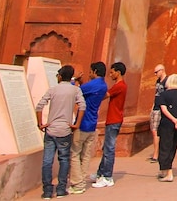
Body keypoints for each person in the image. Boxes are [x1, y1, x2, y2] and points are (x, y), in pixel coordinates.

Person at [36, 65, 85, 199]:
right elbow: (82, 106)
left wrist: (40, 124)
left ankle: (47, 191)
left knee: (47, 161)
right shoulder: (75, 90)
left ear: (60, 76)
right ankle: (61, 189)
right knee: (64, 160)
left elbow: (39, 106)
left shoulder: (53, 90)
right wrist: (77, 124)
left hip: (51, 129)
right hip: (65, 130)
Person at [68, 62, 108, 194]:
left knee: (74, 154)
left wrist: (73, 79)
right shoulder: (103, 85)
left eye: (90, 71)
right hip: (92, 123)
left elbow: (75, 90)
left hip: (83, 123)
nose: (89, 73)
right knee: (85, 156)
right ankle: (81, 182)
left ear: (95, 71)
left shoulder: (93, 84)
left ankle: (77, 184)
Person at [92, 62, 127, 188]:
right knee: (106, 148)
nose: (110, 74)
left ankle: (107, 177)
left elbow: (105, 95)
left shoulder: (119, 86)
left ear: (118, 72)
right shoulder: (119, 85)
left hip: (114, 120)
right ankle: (100, 173)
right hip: (113, 119)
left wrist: (92, 91)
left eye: (112, 72)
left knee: (109, 149)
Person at [155, 73, 177, 182]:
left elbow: (164, 110)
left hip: (167, 123)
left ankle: (168, 172)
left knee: (165, 146)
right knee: (172, 146)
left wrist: (173, 119)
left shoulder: (164, 95)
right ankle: (165, 170)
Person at [148, 64, 167, 163]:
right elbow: (156, 94)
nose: (155, 74)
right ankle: (156, 152)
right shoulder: (158, 81)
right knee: (154, 130)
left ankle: (156, 154)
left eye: (156, 72)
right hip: (155, 108)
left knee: (156, 131)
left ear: (162, 70)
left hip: (161, 108)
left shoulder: (167, 81)